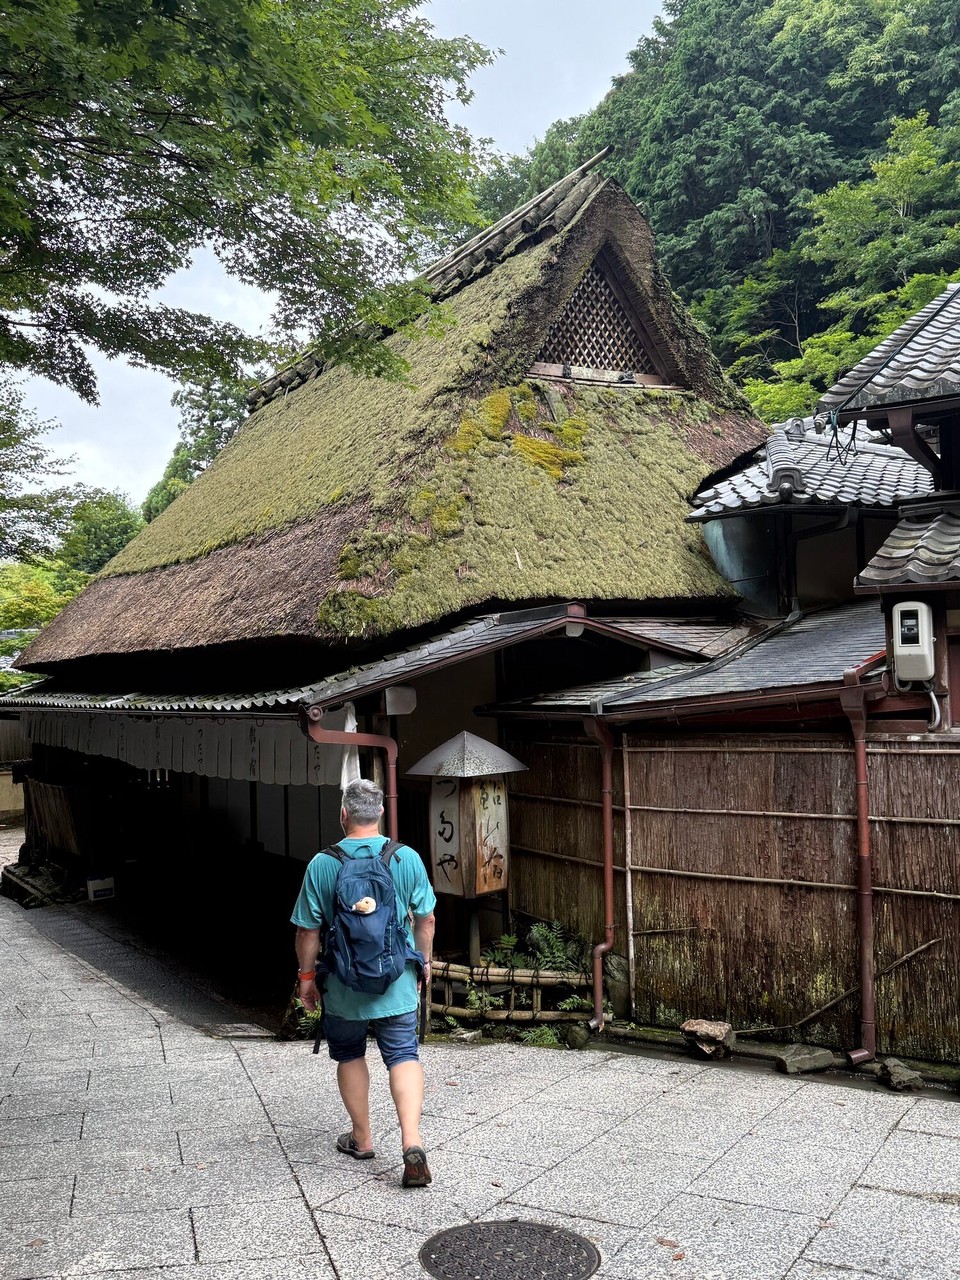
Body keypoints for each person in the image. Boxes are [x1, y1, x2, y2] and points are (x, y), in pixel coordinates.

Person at [291, 778, 437, 1188]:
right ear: (381, 814)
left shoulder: (323, 863)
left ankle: (362, 1137)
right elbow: (426, 919)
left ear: (343, 814)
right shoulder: (405, 857)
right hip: (397, 981)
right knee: (404, 1054)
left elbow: (308, 931)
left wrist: (306, 979)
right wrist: (423, 964)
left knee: (351, 1053)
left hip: (342, 984)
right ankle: (412, 1140)